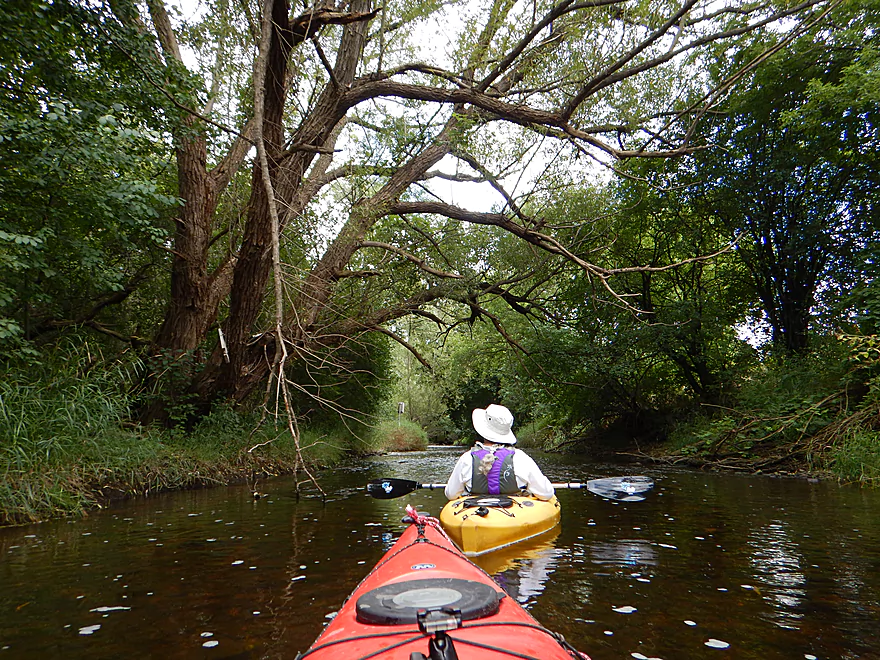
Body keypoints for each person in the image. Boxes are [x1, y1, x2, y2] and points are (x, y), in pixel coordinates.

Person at [445, 404, 555, 501]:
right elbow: (546, 493)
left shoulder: (467, 458)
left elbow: (451, 494)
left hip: (474, 513)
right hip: (515, 513)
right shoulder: (520, 458)